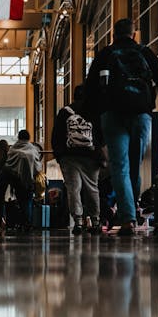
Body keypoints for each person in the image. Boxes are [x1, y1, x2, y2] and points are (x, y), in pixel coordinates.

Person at [84, 18, 158, 236]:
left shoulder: (105, 54)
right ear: (134, 34)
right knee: (135, 166)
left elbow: (89, 88)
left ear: (114, 34)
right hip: (142, 114)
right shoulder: (144, 52)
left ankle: (128, 219)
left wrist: (95, 116)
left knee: (119, 168)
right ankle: (132, 213)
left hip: (113, 114)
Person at [52, 84, 103, 236]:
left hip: (70, 156)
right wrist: (98, 152)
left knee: (73, 189)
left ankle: (78, 222)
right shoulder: (95, 111)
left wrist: (60, 155)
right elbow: (101, 134)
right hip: (90, 156)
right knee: (92, 188)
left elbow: (56, 135)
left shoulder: (65, 112)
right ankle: (95, 221)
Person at [0, 129, 43, 231]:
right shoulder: (33, 150)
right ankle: (28, 222)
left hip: (16, 180)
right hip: (30, 180)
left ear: (18, 137)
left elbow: (8, 164)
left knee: (21, 202)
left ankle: (22, 222)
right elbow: (38, 166)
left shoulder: (13, 149)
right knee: (28, 201)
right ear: (28, 138)